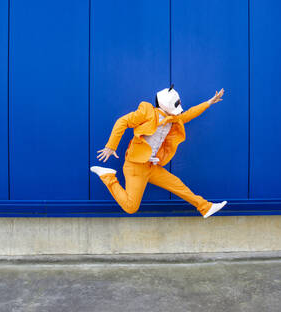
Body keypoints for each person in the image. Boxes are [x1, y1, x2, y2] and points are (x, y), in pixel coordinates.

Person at [90, 85, 227, 218]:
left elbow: (189, 114)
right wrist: (111, 146)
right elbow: (122, 121)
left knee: (177, 185)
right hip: (135, 167)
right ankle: (108, 176)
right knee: (131, 207)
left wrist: (209, 102)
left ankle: (205, 207)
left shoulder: (173, 119)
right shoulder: (147, 112)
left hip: (151, 166)